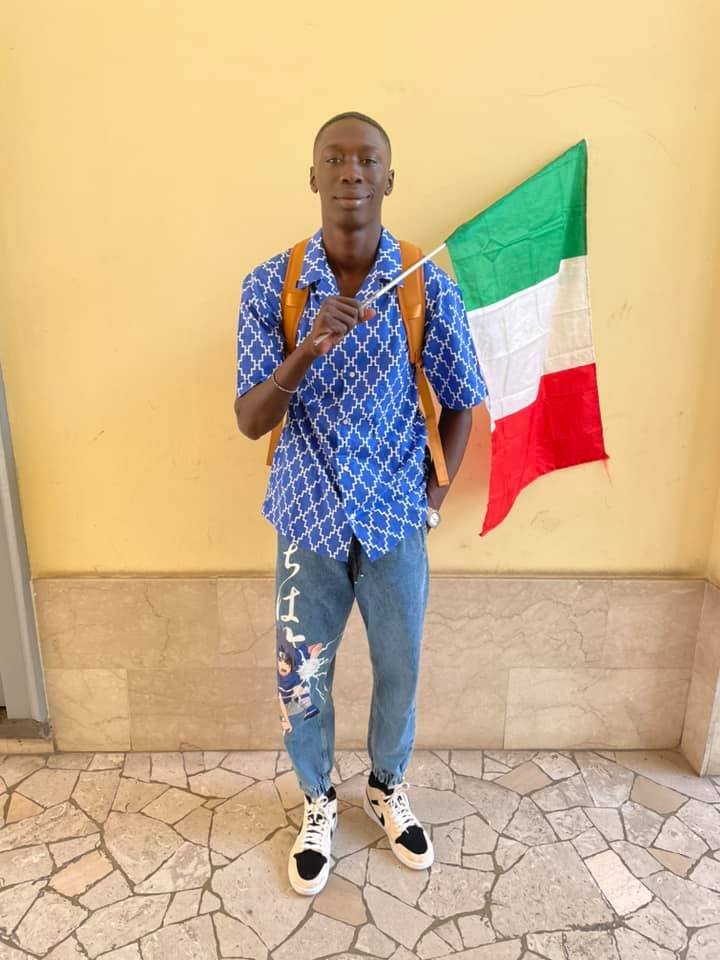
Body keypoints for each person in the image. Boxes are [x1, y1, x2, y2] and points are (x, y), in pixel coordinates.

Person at [233, 111, 487, 896]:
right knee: (301, 676)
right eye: (335, 159)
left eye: (367, 159)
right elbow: (250, 419)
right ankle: (317, 799)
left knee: (399, 669)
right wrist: (306, 349)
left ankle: (385, 786)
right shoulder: (270, 286)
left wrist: (433, 500)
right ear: (314, 176)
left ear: (388, 178)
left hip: (394, 522)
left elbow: (462, 398)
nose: (351, 171)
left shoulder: (423, 282)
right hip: (305, 519)